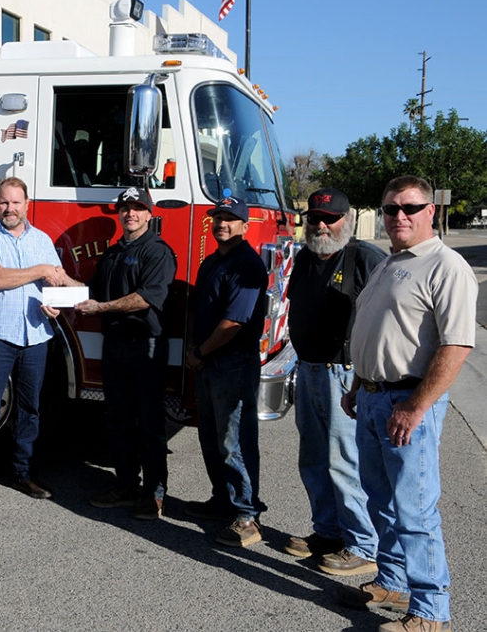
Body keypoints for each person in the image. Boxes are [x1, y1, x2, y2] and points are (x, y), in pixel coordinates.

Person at [336, 176, 477, 632]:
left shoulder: (445, 265)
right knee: (381, 500)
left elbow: (455, 346)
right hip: (376, 398)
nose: (400, 216)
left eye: (410, 207)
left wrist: (415, 408)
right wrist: (360, 384)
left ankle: (431, 611)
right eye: (391, 208)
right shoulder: (391, 263)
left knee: (414, 509)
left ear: (430, 210)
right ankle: (394, 581)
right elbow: (379, 331)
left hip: (408, 402)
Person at [284, 188, 385, 572]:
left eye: (330, 218)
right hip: (307, 368)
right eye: (315, 218)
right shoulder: (306, 258)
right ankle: (328, 532)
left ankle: (362, 546)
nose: (322, 225)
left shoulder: (366, 258)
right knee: (313, 458)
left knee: (345, 461)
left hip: (343, 373)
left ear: (347, 220)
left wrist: (363, 374)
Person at [77, 187, 176, 520]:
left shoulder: (157, 251)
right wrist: (58, 292)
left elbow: (146, 297)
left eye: (137, 208)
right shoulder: (115, 251)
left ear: (149, 214)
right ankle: (125, 486)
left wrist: (102, 308)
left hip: (145, 346)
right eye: (125, 208)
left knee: (148, 424)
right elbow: (92, 288)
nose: (130, 213)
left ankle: (154, 495)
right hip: (115, 346)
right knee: (118, 421)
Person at [0, 177, 63, 507]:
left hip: (36, 335)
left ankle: (24, 473)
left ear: (27, 204)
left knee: (30, 409)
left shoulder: (43, 240)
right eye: (4, 202)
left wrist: (57, 303)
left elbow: (58, 282)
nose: (9, 208)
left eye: (16, 202)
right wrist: (39, 270)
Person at [183, 196, 268, 546]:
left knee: (235, 441)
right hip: (208, 361)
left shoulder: (246, 265)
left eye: (231, 219)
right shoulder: (211, 262)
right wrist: (197, 352)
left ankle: (247, 516)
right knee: (212, 438)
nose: (222, 223)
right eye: (218, 217)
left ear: (245, 226)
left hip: (232, 362)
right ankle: (223, 500)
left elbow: (234, 322)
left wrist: (201, 351)